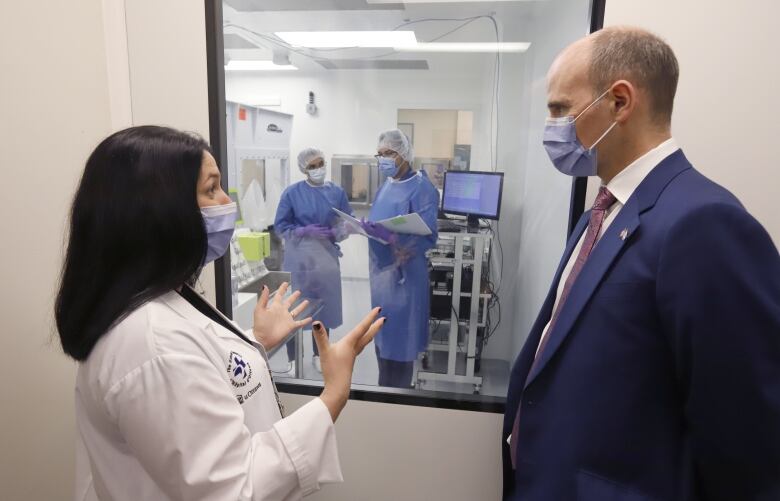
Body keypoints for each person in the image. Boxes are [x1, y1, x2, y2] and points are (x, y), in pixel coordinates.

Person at [502, 27, 780, 500]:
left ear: (620, 102)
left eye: (560, 109)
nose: (551, 128)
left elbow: (748, 439)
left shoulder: (702, 223)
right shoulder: (606, 211)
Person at [55, 126, 384, 501]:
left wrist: (256, 343)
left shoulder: (162, 301)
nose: (227, 201)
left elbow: (199, 384)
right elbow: (235, 491)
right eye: (211, 189)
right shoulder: (154, 345)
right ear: (161, 210)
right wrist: (334, 394)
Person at [362, 129, 439, 388]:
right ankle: (385, 394)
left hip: (405, 277)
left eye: (389, 153)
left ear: (404, 154)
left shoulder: (422, 188)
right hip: (381, 276)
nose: (383, 159)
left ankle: (399, 400)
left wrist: (398, 242)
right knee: (382, 337)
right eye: (380, 154)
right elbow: (378, 222)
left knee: (401, 343)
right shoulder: (384, 186)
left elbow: (426, 233)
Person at [274, 148, 354, 373]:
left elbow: (348, 222)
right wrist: (304, 231)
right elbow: (281, 226)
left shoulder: (336, 192)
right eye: (312, 166)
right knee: (296, 309)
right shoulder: (292, 194)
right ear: (304, 169)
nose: (318, 169)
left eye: (320, 163)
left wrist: (334, 232)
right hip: (300, 261)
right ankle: (292, 358)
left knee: (323, 310)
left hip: (326, 258)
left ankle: (321, 354)